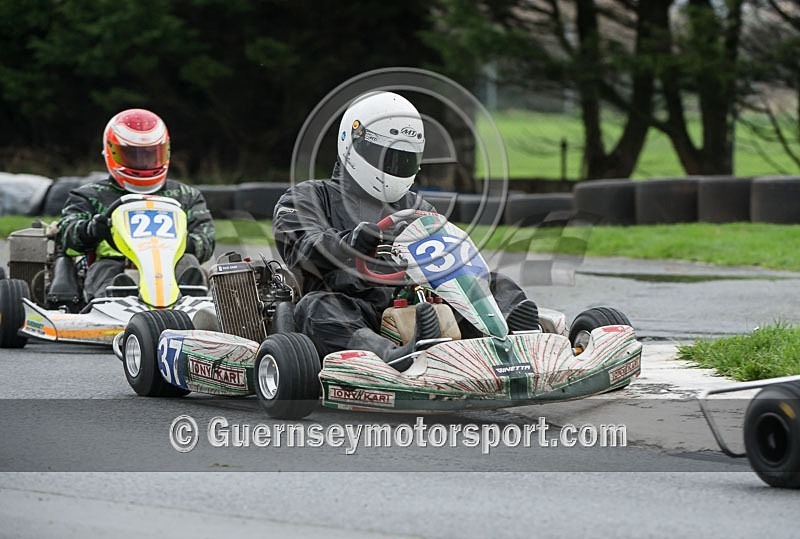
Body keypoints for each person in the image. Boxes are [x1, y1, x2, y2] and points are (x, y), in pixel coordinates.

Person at [273, 91, 538, 369]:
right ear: (353, 144)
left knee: (494, 284)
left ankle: (518, 339)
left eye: (404, 160)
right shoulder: (308, 197)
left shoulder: (415, 204)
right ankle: (391, 356)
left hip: (414, 302)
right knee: (317, 307)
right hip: (354, 307)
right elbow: (301, 249)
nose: (395, 168)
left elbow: (446, 256)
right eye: (386, 157)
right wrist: (351, 243)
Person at [59, 108, 215, 301]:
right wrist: (92, 230)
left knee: (189, 262)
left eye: (150, 155)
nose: (143, 163)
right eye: (132, 155)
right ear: (111, 152)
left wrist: (179, 243)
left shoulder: (185, 196)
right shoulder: (89, 196)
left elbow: (206, 242)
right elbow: (65, 236)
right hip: (114, 263)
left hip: (169, 265)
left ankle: (193, 308)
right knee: (105, 268)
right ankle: (115, 306)